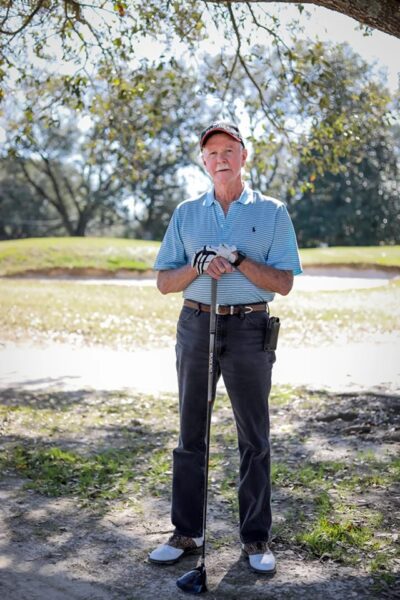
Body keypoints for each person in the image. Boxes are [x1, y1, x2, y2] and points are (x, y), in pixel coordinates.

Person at [148, 121, 302, 574]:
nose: (220, 158)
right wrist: (196, 265)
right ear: (203, 161)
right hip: (196, 324)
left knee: (254, 437)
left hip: (250, 329)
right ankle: (187, 533)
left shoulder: (273, 212)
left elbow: (284, 283)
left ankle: (255, 539)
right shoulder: (186, 213)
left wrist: (238, 259)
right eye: (212, 152)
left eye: (229, 149)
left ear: (243, 155)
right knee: (189, 433)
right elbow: (163, 282)